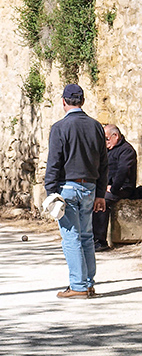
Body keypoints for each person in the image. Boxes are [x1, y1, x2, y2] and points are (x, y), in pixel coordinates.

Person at [45, 83, 108, 299]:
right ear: (83, 101)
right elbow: (104, 163)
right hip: (90, 187)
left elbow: (54, 163)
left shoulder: (59, 128)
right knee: (87, 236)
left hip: (67, 187)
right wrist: (101, 193)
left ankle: (78, 286)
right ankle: (88, 283)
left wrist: (50, 192)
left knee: (71, 237)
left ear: (63, 102)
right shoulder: (97, 127)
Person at [93, 124, 138, 251]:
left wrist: (112, 189)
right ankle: (90, 238)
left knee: (103, 201)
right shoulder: (108, 150)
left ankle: (100, 241)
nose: (105, 142)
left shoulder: (127, 150)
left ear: (115, 136)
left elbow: (122, 172)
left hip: (123, 188)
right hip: (108, 187)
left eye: (106, 139)